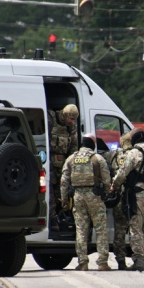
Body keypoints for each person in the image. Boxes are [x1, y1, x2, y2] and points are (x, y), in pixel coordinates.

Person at [111, 127, 144, 272]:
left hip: (138, 195)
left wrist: (114, 186)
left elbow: (122, 173)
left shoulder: (134, 153)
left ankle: (140, 261)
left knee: (136, 228)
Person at [61, 133, 111, 271]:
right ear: (92, 144)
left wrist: (64, 200)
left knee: (81, 230)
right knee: (100, 230)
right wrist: (107, 193)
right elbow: (107, 180)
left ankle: (83, 263)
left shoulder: (71, 159)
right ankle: (102, 263)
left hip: (77, 196)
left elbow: (64, 181)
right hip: (95, 196)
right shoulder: (98, 159)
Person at [99, 132, 133, 270]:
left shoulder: (113, 154)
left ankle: (121, 261)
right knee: (137, 229)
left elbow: (100, 156)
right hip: (133, 196)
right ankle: (140, 258)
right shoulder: (136, 154)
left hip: (119, 196)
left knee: (119, 230)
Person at [48, 104, 79, 230]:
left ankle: (60, 217)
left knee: (60, 193)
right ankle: (52, 219)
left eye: (73, 120)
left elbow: (74, 145)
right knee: (49, 194)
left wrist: (71, 162)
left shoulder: (71, 126)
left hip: (62, 164)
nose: (72, 122)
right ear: (65, 115)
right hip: (49, 162)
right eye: (70, 119)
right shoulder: (51, 119)